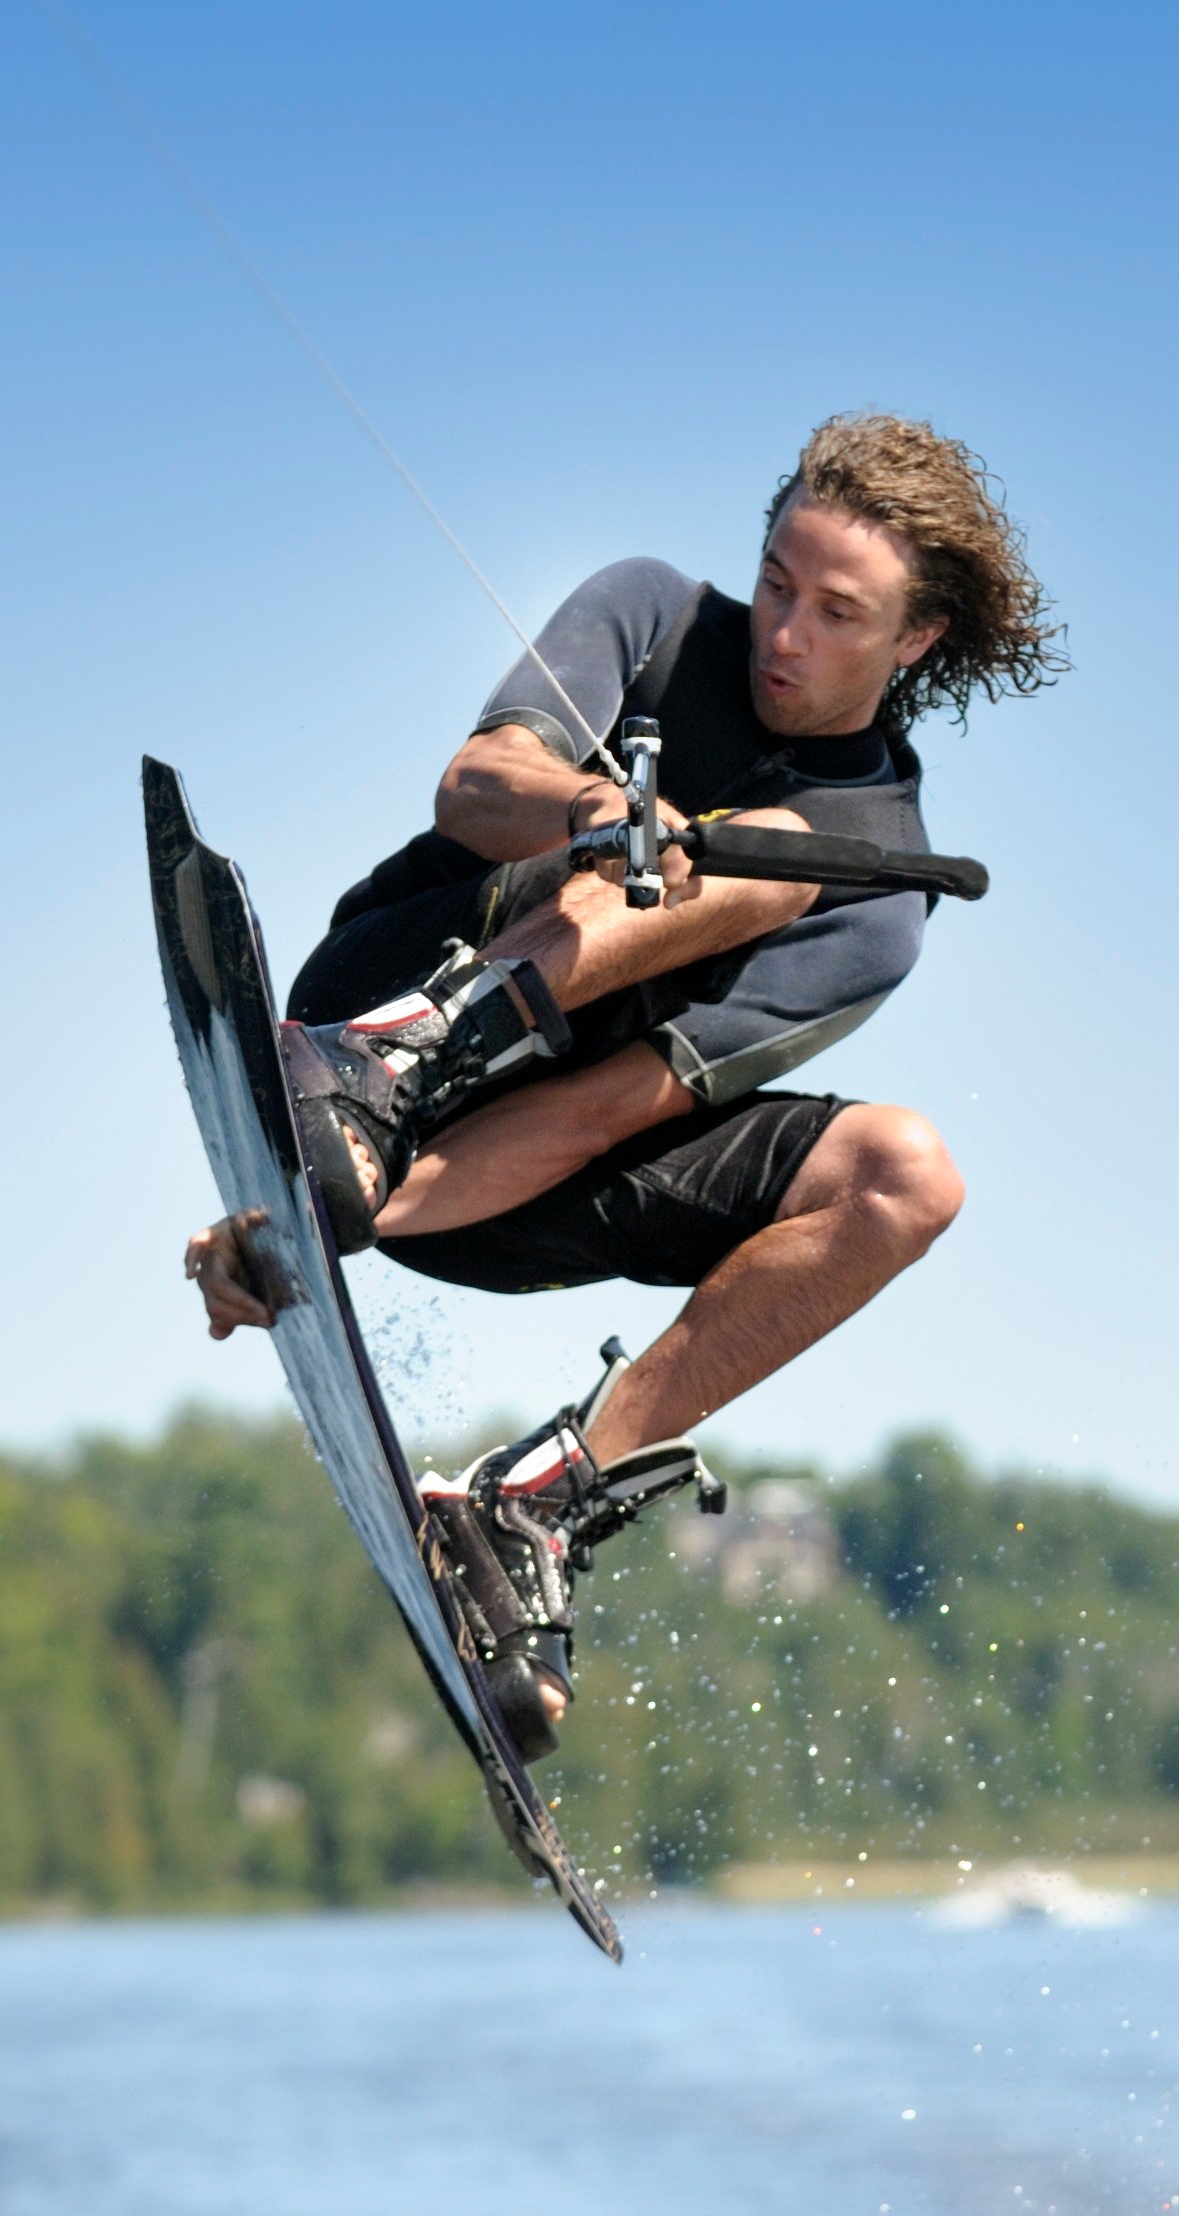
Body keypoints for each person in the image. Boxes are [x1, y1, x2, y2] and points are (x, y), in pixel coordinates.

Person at [182, 411, 1063, 1759]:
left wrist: (306, 1228)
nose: (784, 632)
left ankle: (535, 1500)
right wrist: (598, 815)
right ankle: (399, 1053)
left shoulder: (880, 897)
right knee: (729, 843)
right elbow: (478, 785)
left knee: (909, 1173)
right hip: (367, 1006)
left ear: (915, 640)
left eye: (837, 612)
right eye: (777, 581)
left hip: (506, 1173)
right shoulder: (651, 610)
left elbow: (603, 1115)